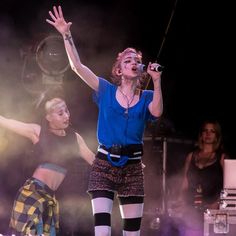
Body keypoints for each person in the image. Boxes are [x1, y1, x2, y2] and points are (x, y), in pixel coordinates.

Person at [46, 5, 163, 236]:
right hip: (104, 163)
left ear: (140, 69)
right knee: (102, 231)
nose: (133, 62)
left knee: (132, 233)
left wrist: (157, 81)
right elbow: (77, 67)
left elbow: (157, 112)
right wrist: (66, 35)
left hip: (133, 166)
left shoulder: (147, 96)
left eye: (136, 60)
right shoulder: (106, 90)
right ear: (119, 70)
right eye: (128, 59)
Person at [0, 96, 95, 235]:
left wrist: (122, 167)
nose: (66, 116)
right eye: (60, 113)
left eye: (67, 111)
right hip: (33, 192)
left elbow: (94, 160)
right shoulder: (39, 132)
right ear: (49, 117)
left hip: (50, 198)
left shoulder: (75, 138)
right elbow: (8, 122)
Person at [177, 120, 229, 236]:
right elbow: (184, 181)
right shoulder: (191, 156)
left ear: (217, 136)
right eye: (205, 130)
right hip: (192, 210)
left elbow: (230, 186)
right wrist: (180, 201)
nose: (208, 134)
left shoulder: (222, 157)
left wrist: (218, 203)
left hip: (215, 210)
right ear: (201, 134)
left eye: (212, 131)